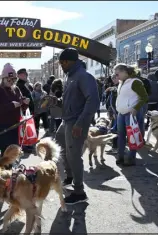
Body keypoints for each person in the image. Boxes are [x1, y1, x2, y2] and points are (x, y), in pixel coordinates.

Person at [55, 48, 100, 205]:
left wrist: (80, 123)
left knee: (74, 155)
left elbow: (93, 101)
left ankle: (79, 192)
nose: (61, 65)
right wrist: (56, 101)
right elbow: (72, 100)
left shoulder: (84, 76)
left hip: (76, 122)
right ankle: (70, 177)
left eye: (63, 62)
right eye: (60, 63)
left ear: (71, 61)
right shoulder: (71, 76)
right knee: (60, 145)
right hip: (66, 120)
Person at [0, 63, 29, 159]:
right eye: (9, 79)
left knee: (14, 150)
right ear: (3, 78)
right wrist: (11, 106)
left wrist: (25, 103)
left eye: (14, 79)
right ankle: (5, 171)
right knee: (6, 152)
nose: (11, 81)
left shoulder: (16, 89)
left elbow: (21, 107)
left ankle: (12, 171)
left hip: (15, 124)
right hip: (1, 125)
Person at [114, 63, 148, 166]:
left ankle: (131, 158)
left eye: (117, 74)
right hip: (121, 113)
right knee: (121, 135)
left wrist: (135, 108)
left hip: (130, 113)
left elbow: (144, 97)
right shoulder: (122, 82)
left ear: (125, 72)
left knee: (132, 137)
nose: (116, 76)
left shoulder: (135, 82)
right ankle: (120, 157)